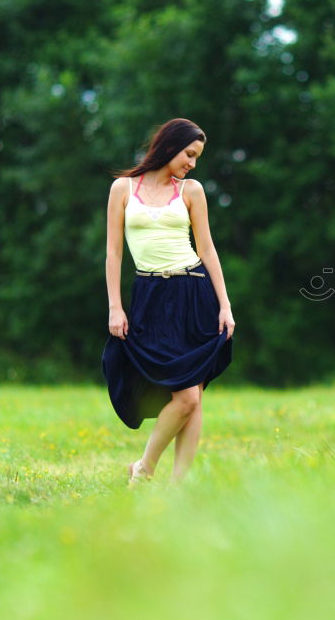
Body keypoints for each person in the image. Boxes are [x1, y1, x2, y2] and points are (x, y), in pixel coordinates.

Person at [101, 118, 234, 485]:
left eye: (197, 158)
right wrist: (115, 306)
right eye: (189, 154)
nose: (192, 163)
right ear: (170, 146)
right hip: (150, 297)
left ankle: (174, 484)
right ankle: (144, 467)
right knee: (184, 396)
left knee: (192, 397)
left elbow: (206, 248)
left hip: (193, 292)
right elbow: (113, 253)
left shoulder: (191, 190)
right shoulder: (123, 189)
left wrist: (224, 304)